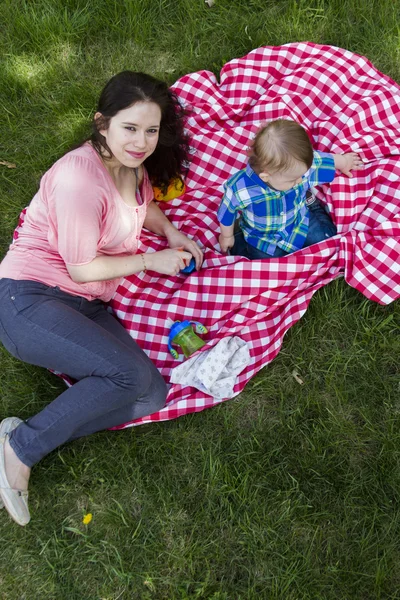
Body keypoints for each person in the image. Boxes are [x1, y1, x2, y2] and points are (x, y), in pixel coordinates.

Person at [0, 71, 203, 526]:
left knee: (150, 393)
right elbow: (82, 268)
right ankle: (20, 449)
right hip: (29, 299)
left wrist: (171, 231)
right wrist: (152, 262)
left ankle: (37, 434)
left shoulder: (130, 164)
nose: (142, 142)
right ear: (101, 123)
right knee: (127, 376)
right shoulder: (79, 180)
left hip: (86, 302)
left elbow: (143, 204)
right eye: (130, 128)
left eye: (151, 130)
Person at [218, 119, 362, 259]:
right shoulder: (240, 189)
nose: (300, 180)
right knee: (266, 265)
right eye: (293, 180)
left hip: (299, 223)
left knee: (327, 241)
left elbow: (322, 160)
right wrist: (227, 236)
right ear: (266, 176)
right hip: (262, 238)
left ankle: (313, 205)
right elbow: (227, 211)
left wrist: (345, 162)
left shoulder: (297, 168)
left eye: (302, 175)